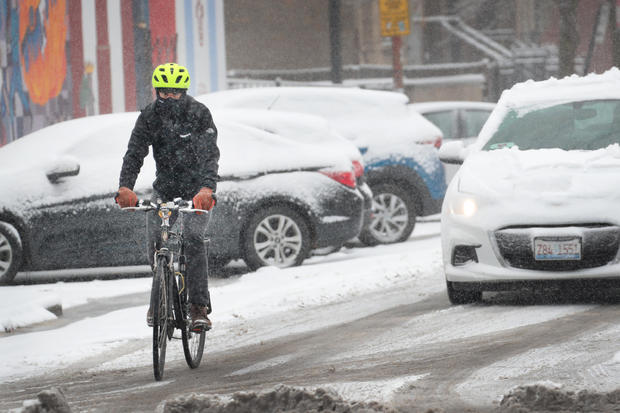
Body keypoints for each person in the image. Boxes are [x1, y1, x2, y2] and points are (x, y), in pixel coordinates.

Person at [115, 62, 219, 330]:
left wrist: (207, 189)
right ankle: (161, 299)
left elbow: (210, 155)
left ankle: (198, 307)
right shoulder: (150, 116)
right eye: (164, 92)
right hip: (165, 189)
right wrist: (125, 186)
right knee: (155, 241)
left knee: (194, 239)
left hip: (197, 191)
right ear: (157, 91)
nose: (170, 97)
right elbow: (135, 152)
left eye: (175, 92)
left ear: (183, 91)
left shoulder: (198, 113)